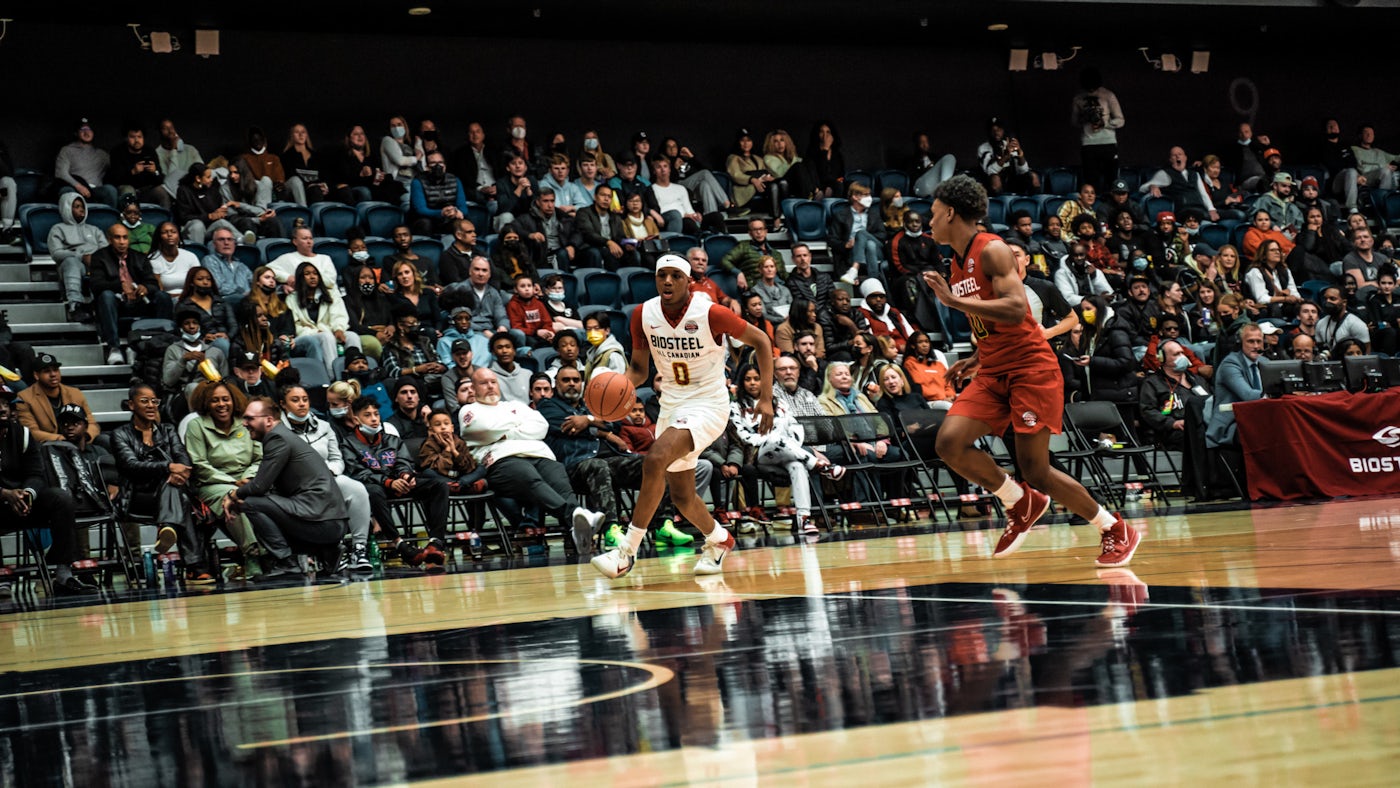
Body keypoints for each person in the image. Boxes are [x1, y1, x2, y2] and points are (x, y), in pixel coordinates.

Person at [921, 175, 1137, 567]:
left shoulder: (994, 251)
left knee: (1037, 469)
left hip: (1030, 370)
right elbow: (994, 324)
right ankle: (1018, 501)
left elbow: (1017, 309)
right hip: (994, 369)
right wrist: (978, 356)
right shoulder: (954, 261)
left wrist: (954, 302)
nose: (929, 221)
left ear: (950, 212)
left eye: (933, 214)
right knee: (949, 443)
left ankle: (1113, 527)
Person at [591, 255, 775, 579]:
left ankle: (626, 553)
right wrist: (616, 389)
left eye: (676, 276)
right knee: (683, 497)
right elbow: (638, 370)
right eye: (662, 275)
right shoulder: (643, 315)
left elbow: (761, 340)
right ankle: (719, 540)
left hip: (708, 404)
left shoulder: (711, 313)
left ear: (688, 282)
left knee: (654, 459)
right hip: (672, 405)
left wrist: (766, 399)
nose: (667, 281)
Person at [458, 367, 603, 555]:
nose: (490, 386)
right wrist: (517, 424)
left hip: (538, 454)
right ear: (474, 388)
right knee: (529, 476)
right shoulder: (469, 410)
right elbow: (482, 428)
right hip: (502, 460)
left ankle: (577, 526)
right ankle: (575, 515)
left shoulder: (515, 405)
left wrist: (502, 432)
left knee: (558, 476)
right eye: (484, 383)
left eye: (493, 382)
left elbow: (541, 427)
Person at [224, 398, 348, 579]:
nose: (244, 424)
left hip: (323, 522)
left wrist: (233, 494)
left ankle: (286, 562)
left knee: (251, 504)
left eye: (250, 419)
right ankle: (327, 551)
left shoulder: (277, 438)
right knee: (260, 504)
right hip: (330, 521)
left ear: (268, 420)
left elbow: (259, 487)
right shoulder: (283, 435)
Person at [111, 382, 219, 584]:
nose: (151, 405)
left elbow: (183, 457)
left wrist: (181, 471)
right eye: (144, 401)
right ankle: (194, 568)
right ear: (131, 405)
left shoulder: (168, 430)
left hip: (171, 493)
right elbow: (131, 466)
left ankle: (168, 527)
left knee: (179, 495)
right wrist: (169, 468)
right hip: (138, 496)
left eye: (154, 401)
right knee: (180, 496)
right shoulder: (120, 434)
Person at [538, 366, 658, 547]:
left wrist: (588, 420)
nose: (572, 383)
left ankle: (663, 524)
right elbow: (568, 428)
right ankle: (611, 529)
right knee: (597, 465)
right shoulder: (547, 406)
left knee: (652, 463)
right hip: (576, 465)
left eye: (576, 380)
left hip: (610, 460)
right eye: (566, 380)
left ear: (582, 384)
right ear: (555, 384)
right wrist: (601, 431)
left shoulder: (591, 405)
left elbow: (614, 422)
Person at [0, 388, 96, 595]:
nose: (3, 408)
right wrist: (6, 494)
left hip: (24, 502)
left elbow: (36, 473)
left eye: (6, 404)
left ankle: (63, 574)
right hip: (2, 505)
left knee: (60, 497)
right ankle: (2, 579)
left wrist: (27, 493)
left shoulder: (22, 434)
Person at [729, 363, 843, 535]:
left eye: (757, 379)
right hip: (758, 456)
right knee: (775, 438)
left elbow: (795, 427)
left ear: (765, 381)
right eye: (748, 379)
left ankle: (803, 520)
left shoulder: (779, 403)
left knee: (797, 466)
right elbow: (742, 436)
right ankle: (819, 465)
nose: (753, 383)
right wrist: (770, 439)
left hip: (787, 452)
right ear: (742, 382)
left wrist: (789, 444)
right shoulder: (736, 407)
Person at [184, 379, 265, 576]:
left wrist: (248, 477)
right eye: (215, 400)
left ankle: (278, 551)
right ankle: (252, 554)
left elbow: (259, 457)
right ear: (206, 404)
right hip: (213, 483)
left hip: (248, 479)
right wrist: (232, 483)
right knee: (234, 499)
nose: (221, 404)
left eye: (225, 399)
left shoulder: (245, 422)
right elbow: (198, 464)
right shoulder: (196, 426)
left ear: (233, 400)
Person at [286, 261, 361, 377]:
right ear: (301, 277)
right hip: (307, 336)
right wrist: (315, 332)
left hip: (331, 331)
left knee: (352, 336)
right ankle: (334, 376)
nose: (312, 277)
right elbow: (295, 325)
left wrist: (338, 329)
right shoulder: (291, 299)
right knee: (326, 337)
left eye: (315, 273)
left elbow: (339, 315)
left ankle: (358, 374)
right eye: (307, 274)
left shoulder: (331, 294)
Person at [1205, 324, 1265, 450]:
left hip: (1257, 418)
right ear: (1240, 342)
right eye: (1250, 341)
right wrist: (1275, 394)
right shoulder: (1230, 364)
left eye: (1259, 341)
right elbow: (1248, 396)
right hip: (1230, 425)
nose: (1256, 346)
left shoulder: (1266, 362)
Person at [50, 193, 107, 323]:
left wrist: (94, 259)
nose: (81, 209)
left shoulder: (94, 230)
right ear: (67, 208)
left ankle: (99, 305)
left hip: (95, 264)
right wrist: (81, 256)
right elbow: (56, 253)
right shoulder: (58, 229)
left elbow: (106, 251)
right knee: (71, 262)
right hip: (73, 264)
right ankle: (75, 306)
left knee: (105, 265)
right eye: (76, 206)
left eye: (82, 206)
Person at [1071, 67, 1125, 192]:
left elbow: (1120, 120)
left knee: (1112, 178)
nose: (1091, 90)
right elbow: (1074, 122)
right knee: (1091, 180)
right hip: (1089, 143)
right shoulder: (1078, 98)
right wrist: (1084, 119)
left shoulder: (1108, 95)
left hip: (1108, 142)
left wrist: (1104, 123)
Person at [828, 182, 886, 285]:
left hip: (878, 250)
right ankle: (874, 280)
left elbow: (882, 235)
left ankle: (854, 269)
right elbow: (832, 240)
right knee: (869, 245)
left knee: (862, 234)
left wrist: (862, 238)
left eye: (869, 195)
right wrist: (846, 245)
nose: (870, 198)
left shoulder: (874, 214)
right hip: (851, 252)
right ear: (855, 197)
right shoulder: (841, 215)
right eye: (866, 195)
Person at [54, 118, 117, 207]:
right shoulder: (67, 150)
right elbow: (61, 173)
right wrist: (79, 186)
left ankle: (111, 219)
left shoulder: (102, 154)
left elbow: (117, 168)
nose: (87, 133)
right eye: (83, 129)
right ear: (76, 133)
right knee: (66, 191)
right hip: (75, 188)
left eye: (89, 129)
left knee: (110, 190)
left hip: (95, 190)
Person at [977, 117, 1039, 195]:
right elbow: (989, 171)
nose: (996, 133)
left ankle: (1033, 205)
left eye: (999, 129)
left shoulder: (1008, 144)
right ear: (988, 132)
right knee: (995, 179)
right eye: (993, 130)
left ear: (1003, 130)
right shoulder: (983, 148)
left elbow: (1023, 170)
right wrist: (1006, 156)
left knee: (1034, 177)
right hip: (991, 184)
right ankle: (1000, 205)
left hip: (1011, 181)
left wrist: (1020, 153)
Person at [1316, 285, 1371, 355]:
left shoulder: (1356, 324)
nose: (1327, 302)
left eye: (1332, 299)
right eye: (1325, 299)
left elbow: (1366, 354)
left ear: (1344, 302)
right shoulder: (1320, 323)